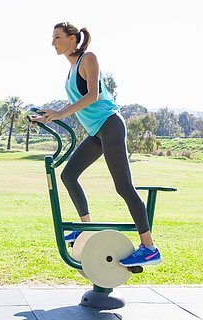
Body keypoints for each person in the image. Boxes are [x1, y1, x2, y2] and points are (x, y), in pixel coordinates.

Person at [31, 22, 162, 267]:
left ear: (72, 39)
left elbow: (94, 95)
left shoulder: (88, 58)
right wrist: (46, 115)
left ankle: (149, 247)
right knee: (69, 175)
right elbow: (78, 102)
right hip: (96, 132)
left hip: (110, 125)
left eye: (57, 37)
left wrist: (60, 113)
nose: (53, 43)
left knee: (123, 186)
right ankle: (85, 228)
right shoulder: (70, 71)